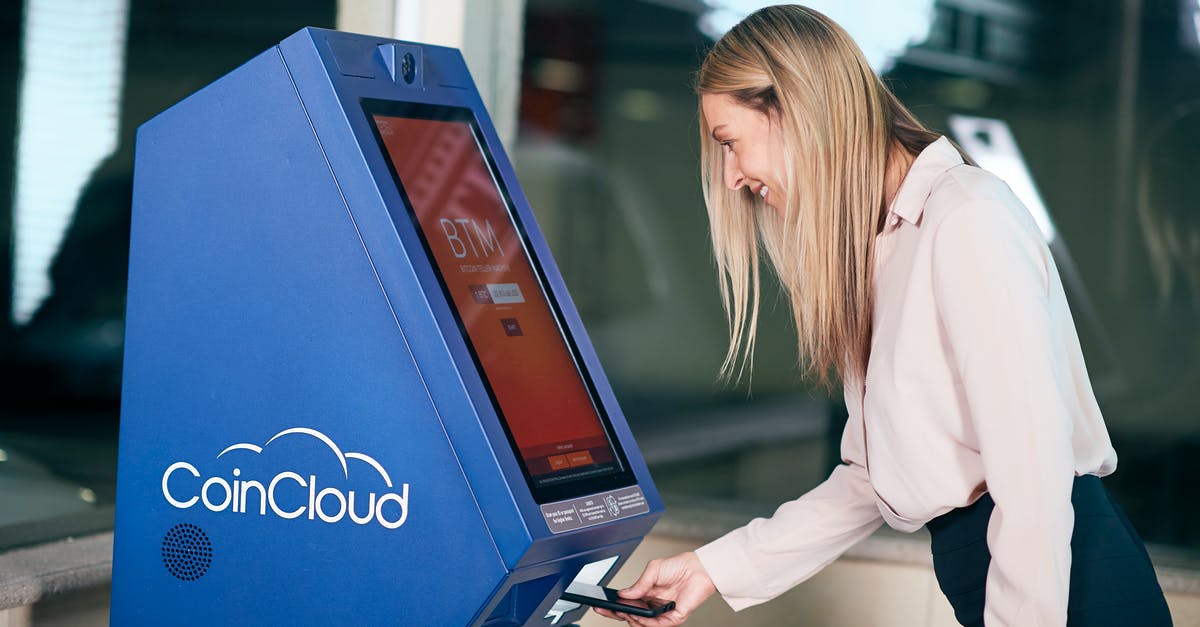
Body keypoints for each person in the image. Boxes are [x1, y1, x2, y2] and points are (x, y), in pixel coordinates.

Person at [594, 5, 1173, 627]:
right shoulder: (884, 245)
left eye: (730, 143)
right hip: (1000, 571)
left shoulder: (965, 221)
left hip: (1067, 586)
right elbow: (874, 479)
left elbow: (1032, 484)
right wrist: (714, 568)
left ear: (794, 110)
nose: (732, 177)